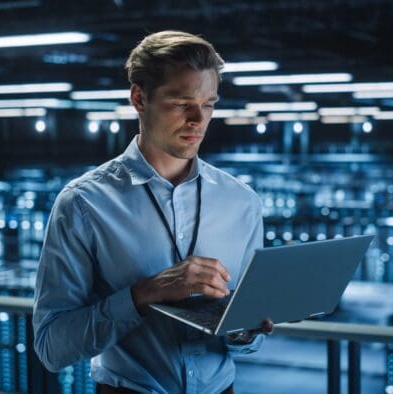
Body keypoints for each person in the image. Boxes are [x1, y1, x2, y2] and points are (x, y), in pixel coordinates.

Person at [33, 30, 273, 394]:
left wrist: (244, 330)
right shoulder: (84, 204)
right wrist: (144, 294)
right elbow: (52, 347)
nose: (198, 119)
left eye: (209, 103)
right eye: (181, 102)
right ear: (139, 98)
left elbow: (246, 335)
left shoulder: (242, 203)